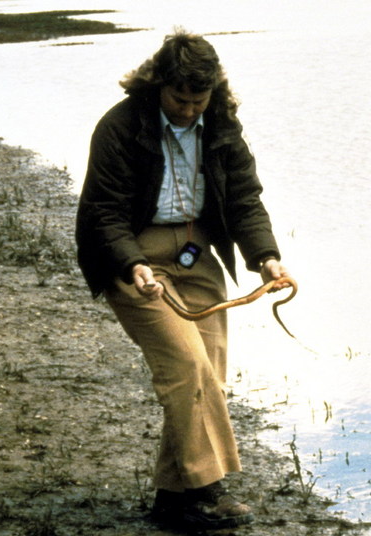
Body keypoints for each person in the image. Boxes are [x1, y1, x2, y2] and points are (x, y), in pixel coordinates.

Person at [75, 29, 290, 531]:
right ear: (157, 85)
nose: (189, 110)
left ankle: (172, 502)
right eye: (179, 99)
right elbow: (104, 213)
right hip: (135, 257)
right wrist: (132, 264)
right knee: (186, 366)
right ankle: (201, 492)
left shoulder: (221, 125)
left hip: (196, 253)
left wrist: (266, 258)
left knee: (207, 374)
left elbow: (244, 200)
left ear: (214, 92)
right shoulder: (120, 126)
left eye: (200, 100)